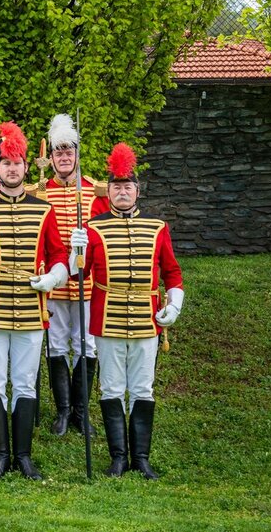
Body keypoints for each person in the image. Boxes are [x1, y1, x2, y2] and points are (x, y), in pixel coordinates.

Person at [0, 122, 68, 480]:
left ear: (25, 167)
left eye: (17, 162)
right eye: (5, 162)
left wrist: (53, 277)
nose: (12, 168)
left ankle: (23, 455)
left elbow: (58, 255)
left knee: (24, 382)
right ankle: (0, 455)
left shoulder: (44, 209)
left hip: (32, 310)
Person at [81, 142, 184, 479]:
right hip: (107, 319)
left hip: (145, 319)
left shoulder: (158, 227)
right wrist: (75, 253)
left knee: (142, 389)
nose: (122, 192)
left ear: (137, 191)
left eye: (127, 187)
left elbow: (172, 272)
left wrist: (175, 303)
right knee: (111, 388)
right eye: (116, 187)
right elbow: (78, 274)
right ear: (108, 191)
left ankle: (140, 458)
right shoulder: (93, 228)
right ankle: (118, 458)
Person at [39, 113, 108, 436]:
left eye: (69, 151)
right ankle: (63, 411)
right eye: (58, 152)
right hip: (55, 285)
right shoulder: (41, 193)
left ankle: (81, 411)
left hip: (88, 283)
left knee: (87, 346)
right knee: (56, 345)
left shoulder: (95, 191)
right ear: (51, 158)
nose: (64, 157)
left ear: (77, 154)